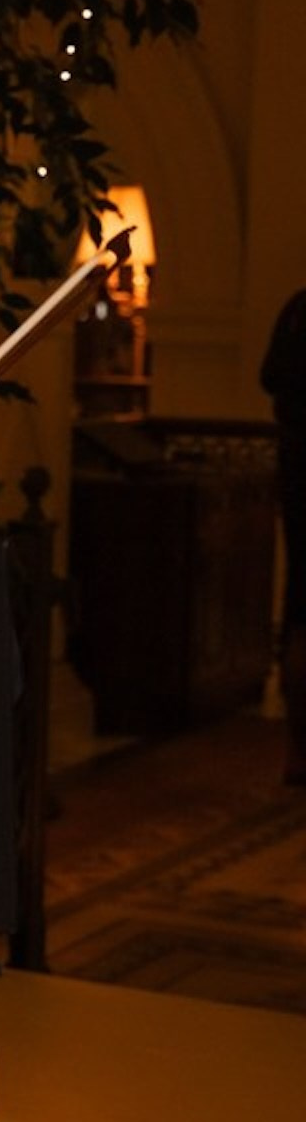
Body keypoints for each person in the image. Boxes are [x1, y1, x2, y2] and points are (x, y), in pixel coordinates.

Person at [260, 288, 306, 784]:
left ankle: (298, 749)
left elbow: (268, 378)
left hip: (297, 473)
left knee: (300, 612)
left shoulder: (295, 310)